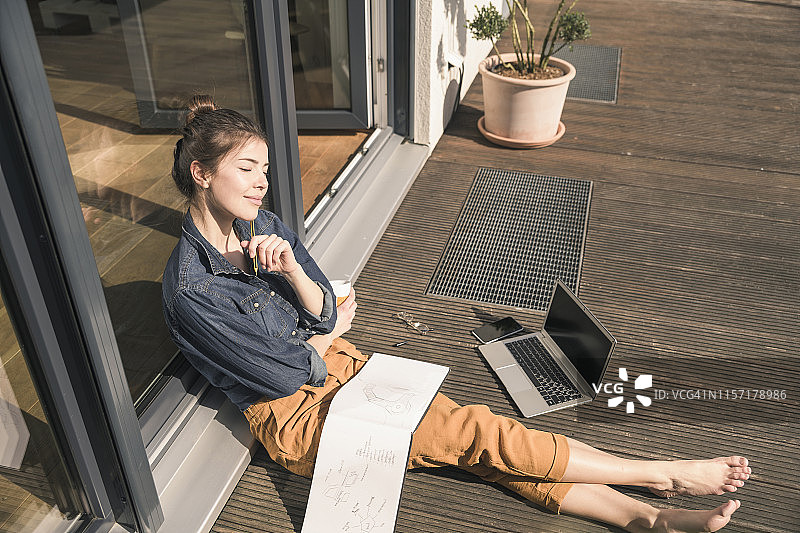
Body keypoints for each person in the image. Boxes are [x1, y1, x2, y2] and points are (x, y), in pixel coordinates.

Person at [161, 96, 751, 533]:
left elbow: (318, 301)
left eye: (265, 168)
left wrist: (292, 273)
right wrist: (331, 327)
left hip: (343, 365)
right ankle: (658, 475)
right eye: (248, 169)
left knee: (476, 443)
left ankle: (646, 519)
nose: (263, 184)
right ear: (202, 173)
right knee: (477, 432)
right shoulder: (191, 289)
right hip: (297, 421)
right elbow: (289, 373)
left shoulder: (259, 225)